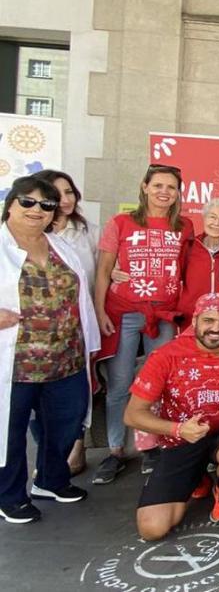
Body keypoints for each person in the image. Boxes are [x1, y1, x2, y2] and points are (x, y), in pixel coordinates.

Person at [124, 293, 219, 539]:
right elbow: (133, 415)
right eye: (209, 320)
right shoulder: (165, 356)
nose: (216, 328)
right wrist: (177, 429)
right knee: (152, 529)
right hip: (181, 438)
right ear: (196, 321)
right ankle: (198, 478)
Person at [0, 176, 101, 524]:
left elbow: (82, 291)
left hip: (66, 355)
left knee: (66, 421)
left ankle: (50, 479)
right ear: (10, 203)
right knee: (10, 430)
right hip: (16, 361)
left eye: (46, 205)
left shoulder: (61, 245)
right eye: (27, 202)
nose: (36, 210)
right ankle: (9, 496)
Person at [93, 164, 194, 485]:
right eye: (159, 185)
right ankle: (115, 450)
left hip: (164, 315)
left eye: (172, 187)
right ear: (145, 187)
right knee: (120, 384)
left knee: (159, 384)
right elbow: (103, 270)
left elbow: (187, 270)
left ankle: (152, 444)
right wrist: (99, 311)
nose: (164, 192)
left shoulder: (184, 226)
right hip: (122, 312)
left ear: (179, 193)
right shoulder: (120, 222)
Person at [29, 169, 99, 476]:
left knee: (76, 395)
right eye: (57, 194)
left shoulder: (88, 232)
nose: (65, 200)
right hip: (35, 337)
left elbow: (104, 273)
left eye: (70, 192)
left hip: (79, 330)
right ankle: (47, 459)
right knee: (34, 400)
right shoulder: (28, 236)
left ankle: (75, 449)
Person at [175, 198, 219, 325]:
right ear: (204, 218)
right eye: (212, 217)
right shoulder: (189, 246)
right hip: (191, 320)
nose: (216, 223)